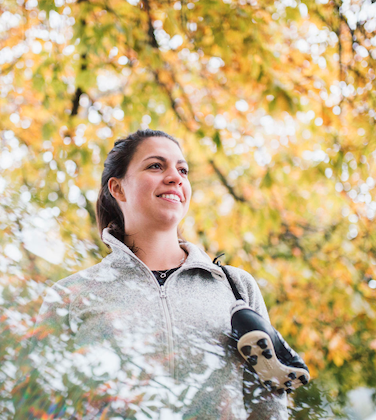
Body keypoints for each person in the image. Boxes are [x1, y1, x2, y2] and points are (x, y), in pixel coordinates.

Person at [21, 129, 292, 419]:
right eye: (155, 165)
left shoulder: (236, 287)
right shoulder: (71, 296)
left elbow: (269, 403)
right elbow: (39, 405)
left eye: (183, 169)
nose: (176, 177)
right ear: (118, 188)